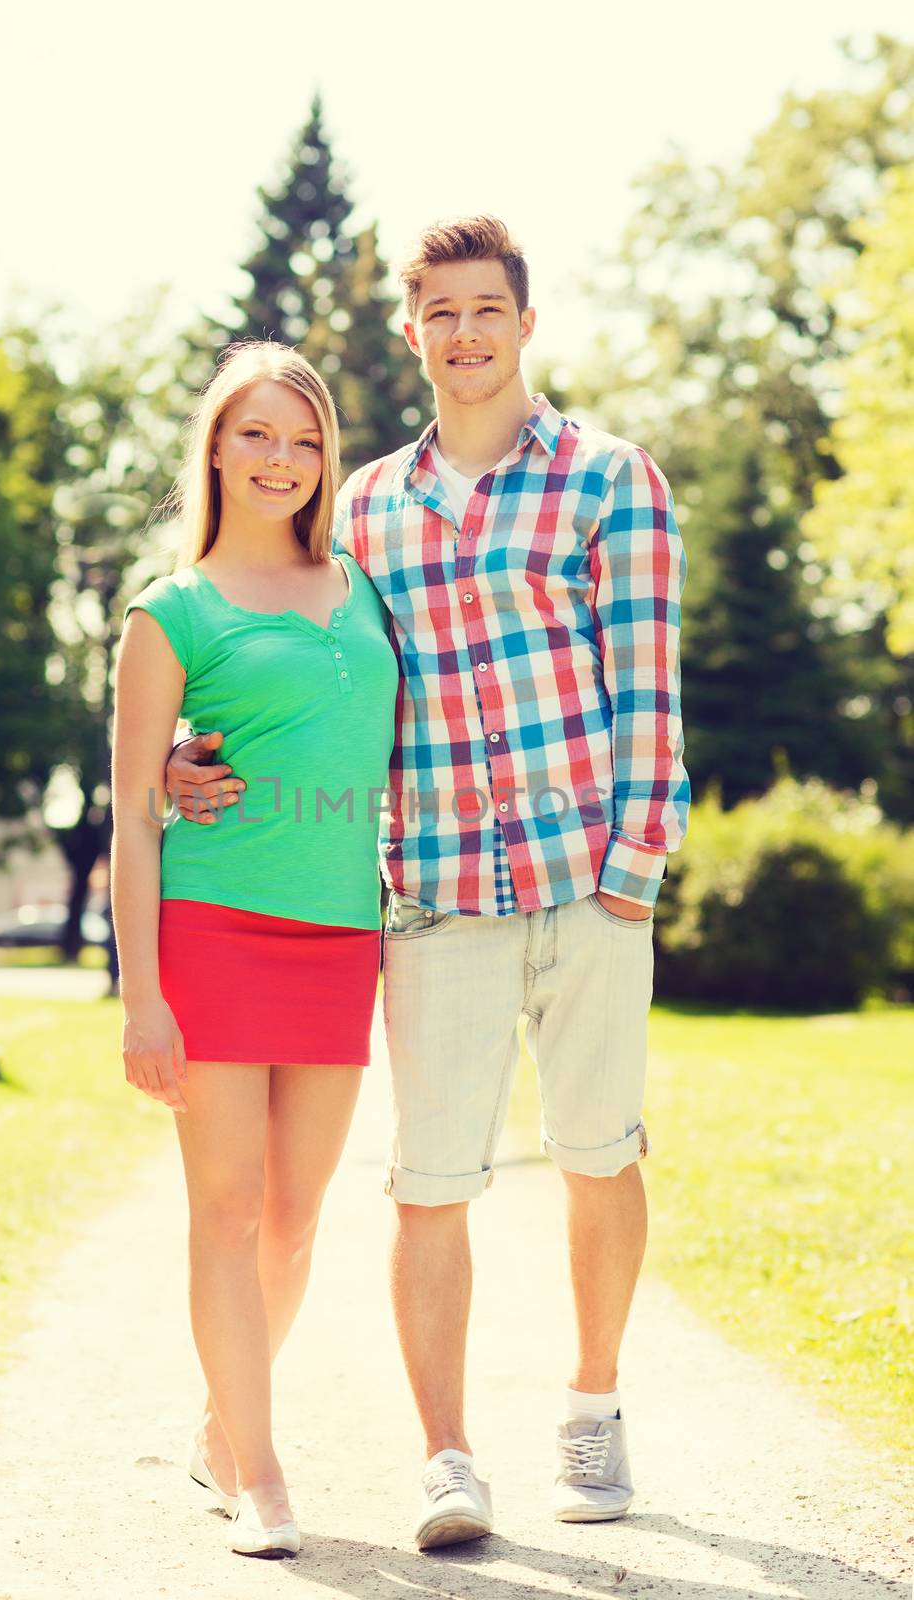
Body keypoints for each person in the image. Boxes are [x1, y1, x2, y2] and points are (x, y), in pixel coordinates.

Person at [168, 216, 690, 1550]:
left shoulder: (608, 480)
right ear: (411, 333)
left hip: (586, 882)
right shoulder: (363, 510)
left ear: (525, 322)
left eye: (485, 310)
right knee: (426, 1185)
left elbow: (647, 690)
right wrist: (189, 750)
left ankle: (591, 1406)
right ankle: (447, 1459)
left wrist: (631, 878)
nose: (462, 333)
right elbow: (280, 655)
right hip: (435, 892)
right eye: (438, 314)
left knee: (595, 1156)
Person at [110, 342, 398, 1559]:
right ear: (216, 449)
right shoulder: (169, 614)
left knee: (294, 1219)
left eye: (304, 439)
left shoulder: (364, 587)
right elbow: (133, 812)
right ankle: (261, 1471)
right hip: (216, 932)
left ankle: (220, 1424)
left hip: (341, 934)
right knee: (224, 1215)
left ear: (325, 458)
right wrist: (143, 1000)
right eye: (257, 434)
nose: (282, 459)